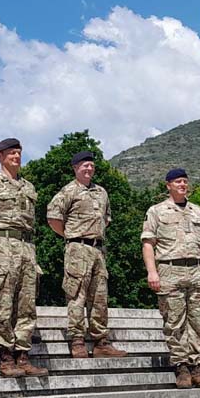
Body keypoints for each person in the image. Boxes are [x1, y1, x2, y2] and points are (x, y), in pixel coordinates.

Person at [0, 138, 48, 378]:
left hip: (27, 246)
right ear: (0, 156)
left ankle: (23, 355)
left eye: (18, 153)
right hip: (1, 244)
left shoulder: (29, 187)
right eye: (11, 153)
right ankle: (5, 357)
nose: (16, 157)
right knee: (3, 302)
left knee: (27, 303)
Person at [141, 168, 200, 389]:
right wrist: (152, 271)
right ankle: (181, 367)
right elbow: (148, 243)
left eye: (185, 181)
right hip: (170, 269)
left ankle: (199, 367)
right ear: (168, 185)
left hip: (197, 270)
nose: (182, 185)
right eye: (178, 182)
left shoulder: (198, 211)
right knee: (174, 321)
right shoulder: (156, 211)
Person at [46, 151, 127, 359]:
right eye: (84, 165)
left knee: (100, 296)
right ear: (75, 168)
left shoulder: (102, 192)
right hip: (77, 248)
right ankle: (77, 340)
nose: (89, 169)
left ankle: (101, 342)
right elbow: (53, 218)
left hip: (98, 249)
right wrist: (70, 236)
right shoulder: (68, 191)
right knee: (76, 294)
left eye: (91, 165)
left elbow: (106, 219)